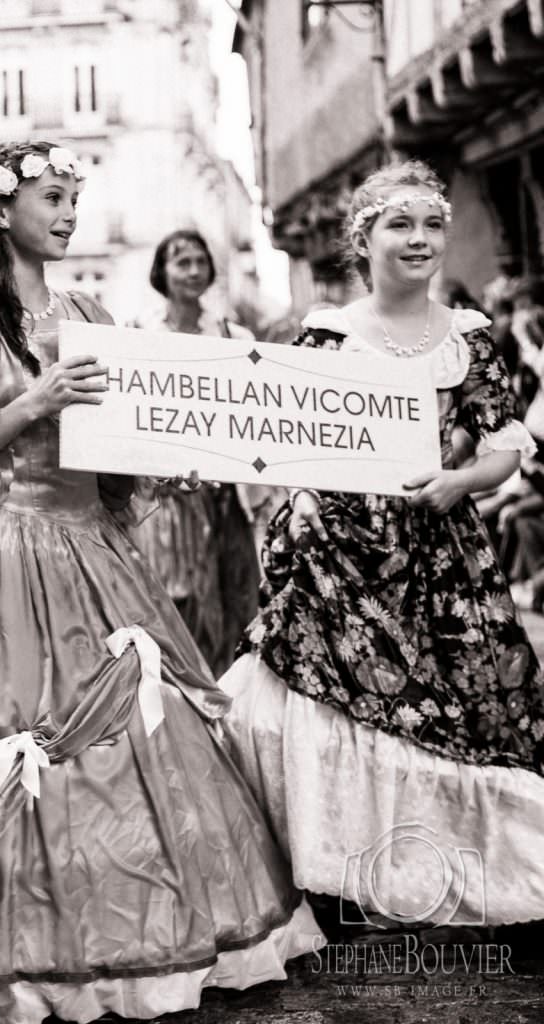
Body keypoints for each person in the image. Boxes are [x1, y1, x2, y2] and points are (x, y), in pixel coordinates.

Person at [0, 140, 322, 1024]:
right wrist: (22, 410)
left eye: (74, 196)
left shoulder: (88, 310)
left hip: (94, 556)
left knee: (145, 742)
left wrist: (172, 465)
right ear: (1, 210)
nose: (70, 211)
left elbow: (121, 443)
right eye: (52, 196)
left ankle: (138, 921)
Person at [221, 161, 544, 925]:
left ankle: (433, 867)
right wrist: (297, 502)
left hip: (437, 547)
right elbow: (289, 436)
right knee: (332, 703)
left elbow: (505, 446)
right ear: (362, 240)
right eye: (400, 224)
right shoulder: (329, 333)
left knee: (461, 697)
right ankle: (338, 867)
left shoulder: (468, 339)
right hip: (339, 546)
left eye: (433, 224)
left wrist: (461, 483)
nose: (421, 238)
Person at [128, 230, 262, 675]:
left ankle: (224, 691)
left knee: (231, 594)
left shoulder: (233, 334)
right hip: (166, 498)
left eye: (199, 261)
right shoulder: (139, 335)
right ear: (161, 273)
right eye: (180, 261)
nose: (191, 271)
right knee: (172, 597)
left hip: (223, 496)